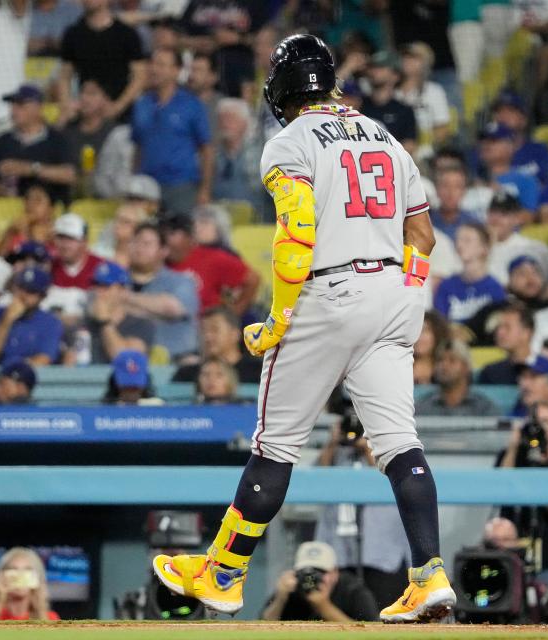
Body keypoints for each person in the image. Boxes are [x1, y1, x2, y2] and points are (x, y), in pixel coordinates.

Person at [152, 34, 457, 623]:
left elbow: (295, 241)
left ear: (282, 89)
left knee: (276, 444)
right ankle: (429, 574)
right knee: (398, 442)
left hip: (329, 290)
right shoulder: (389, 140)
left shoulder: (289, 140)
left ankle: (223, 573)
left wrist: (281, 317)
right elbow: (423, 239)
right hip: (396, 292)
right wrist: (399, 291)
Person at [496, 400, 548, 586]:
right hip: (507, 555)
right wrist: (513, 445)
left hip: (547, 558)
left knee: (547, 613)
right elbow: (498, 489)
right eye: (535, 422)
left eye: (546, 422)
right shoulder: (512, 456)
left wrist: (545, 460)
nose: (539, 428)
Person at [132, 48, 212, 214]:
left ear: (176, 70)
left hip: (181, 186)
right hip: (146, 187)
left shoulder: (191, 105)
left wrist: (205, 189)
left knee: (179, 234)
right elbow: (137, 148)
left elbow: (207, 150)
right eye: (152, 64)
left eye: (161, 65)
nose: (154, 69)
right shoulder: (141, 104)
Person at [0, 84, 76, 205]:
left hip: (50, 210)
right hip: (9, 209)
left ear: (39, 107)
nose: (14, 110)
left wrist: (30, 169)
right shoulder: (3, 141)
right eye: (12, 105)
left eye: (21, 105)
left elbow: (70, 175)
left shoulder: (57, 139)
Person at [57, 0, 145, 125]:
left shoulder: (126, 34)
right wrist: (66, 106)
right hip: (85, 115)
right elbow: (64, 76)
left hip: (120, 116)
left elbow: (140, 76)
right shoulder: (73, 34)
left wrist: (117, 107)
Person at [125, 222, 199, 361]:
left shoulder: (181, 281)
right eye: (135, 242)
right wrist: (153, 308)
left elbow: (172, 308)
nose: (139, 249)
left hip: (176, 361)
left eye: (147, 244)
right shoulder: (117, 280)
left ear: (163, 250)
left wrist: (124, 299)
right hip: (131, 362)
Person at [161, 213, 258, 317]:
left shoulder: (213, 258)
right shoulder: (154, 261)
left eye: (171, 233)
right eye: (162, 234)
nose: (165, 239)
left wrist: (234, 314)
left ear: (188, 237)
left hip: (204, 327)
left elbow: (253, 279)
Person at [261, 541, 379, 622]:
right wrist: (280, 599)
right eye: (306, 572)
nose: (311, 578)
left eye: (320, 571)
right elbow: (262, 627)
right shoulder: (291, 588)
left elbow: (369, 633)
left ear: (335, 572)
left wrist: (323, 606)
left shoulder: (352, 590)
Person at [62, 261, 153, 366]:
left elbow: (126, 362)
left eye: (105, 286)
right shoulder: (81, 325)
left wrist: (105, 323)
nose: (98, 291)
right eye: (95, 284)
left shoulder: (140, 325)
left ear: (122, 291)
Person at [0, 266, 63, 365]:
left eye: (31, 291)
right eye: (21, 287)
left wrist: (9, 373)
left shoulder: (50, 322)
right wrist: (6, 321)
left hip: (26, 377)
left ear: (42, 296)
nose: (23, 295)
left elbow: (42, 360)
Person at [433, 222, 505, 324]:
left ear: (484, 247)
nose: (459, 245)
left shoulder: (495, 287)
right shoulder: (446, 286)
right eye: (458, 240)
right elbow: (440, 323)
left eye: (467, 240)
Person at [172, 306, 262, 384]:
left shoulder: (258, 372)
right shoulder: (186, 375)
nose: (208, 336)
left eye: (214, 329)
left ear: (235, 334)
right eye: (203, 330)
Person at [395, 42, 450, 162]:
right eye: (405, 57)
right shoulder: (391, 91)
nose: (408, 61)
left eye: (414, 58)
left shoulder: (434, 91)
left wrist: (426, 144)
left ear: (425, 62)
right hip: (395, 154)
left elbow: (442, 127)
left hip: (426, 155)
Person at [487, 90, 548, 186]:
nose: (503, 116)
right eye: (499, 111)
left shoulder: (539, 151)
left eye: (510, 111)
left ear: (523, 120)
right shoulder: (482, 151)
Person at [415, 340, 500, 416]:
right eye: (440, 360)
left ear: (466, 367)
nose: (444, 366)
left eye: (452, 360)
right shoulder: (422, 407)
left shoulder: (484, 409)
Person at [45, 212, 103, 319]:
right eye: (60, 237)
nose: (64, 245)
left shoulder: (101, 268)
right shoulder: (48, 267)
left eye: (71, 239)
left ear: (84, 241)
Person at [0, 547, 59, 621]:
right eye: (13, 569)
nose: (20, 576)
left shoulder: (51, 618)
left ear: (37, 578)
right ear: (1, 576)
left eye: (27, 570)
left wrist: (40, 610)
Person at [485, 190, 548, 287]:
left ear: (516, 219)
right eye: (493, 212)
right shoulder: (477, 249)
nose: (496, 219)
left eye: (504, 214)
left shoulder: (532, 247)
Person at [359, 51, 417, 155]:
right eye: (372, 67)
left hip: (390, 165)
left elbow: (409, 146)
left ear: (395, 76)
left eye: (380, 68)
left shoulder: (404, 111)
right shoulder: (358, 105)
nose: (374, 71)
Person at [478, 123, 540, 214]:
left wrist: (502, 196)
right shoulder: (469, 178)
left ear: (510, 147)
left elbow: (528, 216)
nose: (486, 145)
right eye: (483, 141)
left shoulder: (525, 180)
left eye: (493, 141)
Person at [479, 302, 534, 385]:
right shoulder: (491, 372)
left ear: (526, 333)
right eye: (499, 327)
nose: (499, 332)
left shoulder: (544, 370)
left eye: (507, 327)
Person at [429, 166, 477, 241]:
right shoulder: (426, 221)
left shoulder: (474, 224)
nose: (451, 192)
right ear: (436, 189)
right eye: (445, 185)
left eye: (457, 186)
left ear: (464, 191)